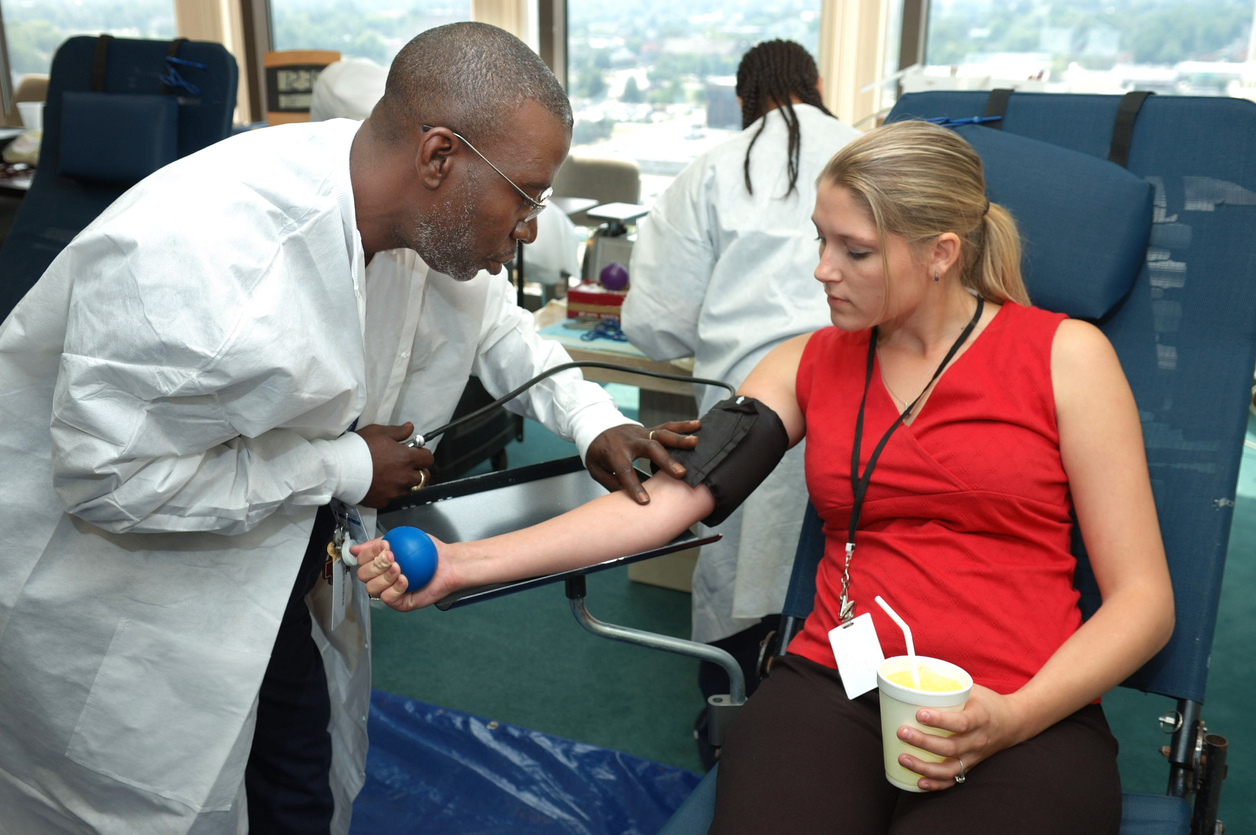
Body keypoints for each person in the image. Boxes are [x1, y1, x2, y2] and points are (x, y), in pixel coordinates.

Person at [358, 119, 1175, 833]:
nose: (822, 270)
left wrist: (1013, 717)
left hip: (1025, 701)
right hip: (839, 683)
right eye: (820, 239)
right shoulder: (808, 364)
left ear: (942, 255)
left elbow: (1144, 601)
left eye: (853, 250)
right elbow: (663, 503)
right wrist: (461, 563)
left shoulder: (1066, 359)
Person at [0, 22, 698, 835]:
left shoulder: (395, 199)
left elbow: (499, 324)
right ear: (440, 157)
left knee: (297, 773)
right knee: (143, 800)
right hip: (131, 596)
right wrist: (343, 467)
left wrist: (592, 422)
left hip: (277, 559)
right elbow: (104, 479)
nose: (533, 226)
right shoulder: (205, 264)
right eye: (527, 194)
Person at [621, 39, 861, 728]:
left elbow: (654, 324)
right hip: (863, 407)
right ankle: (850, 726)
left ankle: (732, 721)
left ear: (741, 97)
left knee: (737, 579)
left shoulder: (711, 170)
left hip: (744, 417)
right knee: (853, 573)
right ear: (816, 83)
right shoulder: (871, 160)